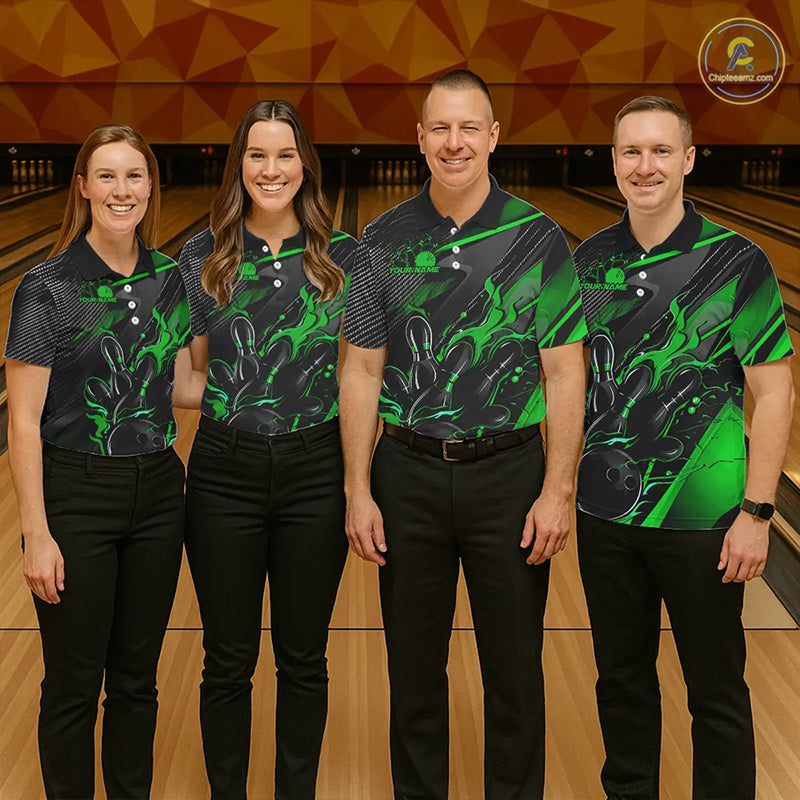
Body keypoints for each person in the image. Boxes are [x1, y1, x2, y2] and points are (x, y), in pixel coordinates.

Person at [340, 69, 587, 800]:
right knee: (413, 674)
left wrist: (557, 489)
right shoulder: (380, 241)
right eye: (440, 129)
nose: (455, 142)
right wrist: (357, 487)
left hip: (509, 478)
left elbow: (564, 373)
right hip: (407, 473)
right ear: (419, 139)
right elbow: (361, 368)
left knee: (514, 675)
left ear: (493, 136)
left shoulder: (538, 238)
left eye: (469, 127)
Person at [574, 96, 795, 800]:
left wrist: (757, 513)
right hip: (605, 516)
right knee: (621, 681)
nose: (645, 166)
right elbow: (566, 383)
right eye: (631, 151)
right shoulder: (587, 260)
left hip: (704, 520)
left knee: (715, 689)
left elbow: (776, 392)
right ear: (614, 161)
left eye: (661, 151)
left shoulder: (738, 260)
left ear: (689, 159)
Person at [5, 124, 192, 799]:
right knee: (74, 683)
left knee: (137, 681)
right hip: (76, 493)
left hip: (159, 491)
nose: (122, 190)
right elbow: (22, 421)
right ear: (82, 186)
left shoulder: (171, 278)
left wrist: (292, 383)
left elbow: (182, 384)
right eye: (106, 176)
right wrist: (37, 533)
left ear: (150, 186)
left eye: (134, 175)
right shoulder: (45, 288)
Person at [177, 100, 356, 800]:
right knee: (226, 661)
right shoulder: (202, 257)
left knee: (304, 660)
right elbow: (192, 375)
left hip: (318, 472)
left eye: (285, 155)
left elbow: (363, 375)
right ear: (239, 165)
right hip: (224, 472)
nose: (271, 169)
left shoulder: (346, 258)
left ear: (306, 165)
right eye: (257, 155)